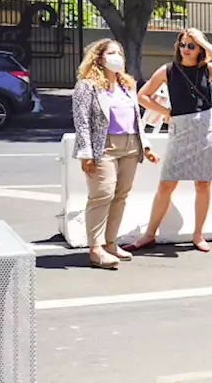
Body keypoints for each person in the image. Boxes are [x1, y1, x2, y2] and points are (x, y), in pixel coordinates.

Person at [128, 29, 212, 253]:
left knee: (203, 183)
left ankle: (198, 234)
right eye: (183, 44)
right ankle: (149, 234)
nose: (186, 49)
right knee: (167, 183)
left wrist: (204, 42)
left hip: (206, 126)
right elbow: (142, 95)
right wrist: (165, 111)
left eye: (191, 46)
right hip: (180, 127)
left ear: (199, 50)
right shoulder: (168, 70)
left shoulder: (207, 69)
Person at [71, 39, 157, 269]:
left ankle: (110, 243)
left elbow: (136, 118)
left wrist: (145, 145)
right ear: (99, 57)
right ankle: (95, 248)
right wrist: (86, 153)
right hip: (104, 146)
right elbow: (82, 121)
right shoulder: (87, 85)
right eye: (111, 53)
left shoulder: (127, 85)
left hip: (130, 145)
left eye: (119, 52)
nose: (116, 56)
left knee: (120, 195)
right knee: (102, 194)